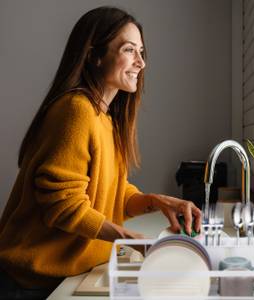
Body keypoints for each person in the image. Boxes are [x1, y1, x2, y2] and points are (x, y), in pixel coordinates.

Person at [0, 6, 201, 299]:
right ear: (94, 55)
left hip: (63, 275)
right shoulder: (76, 110)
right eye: (129, 50)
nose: (141, 63)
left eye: (141, 51)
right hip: (30, 281)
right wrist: (126, 239)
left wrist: (156, 201)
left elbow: (109, 194)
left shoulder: (104, 119)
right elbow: (63, 206)